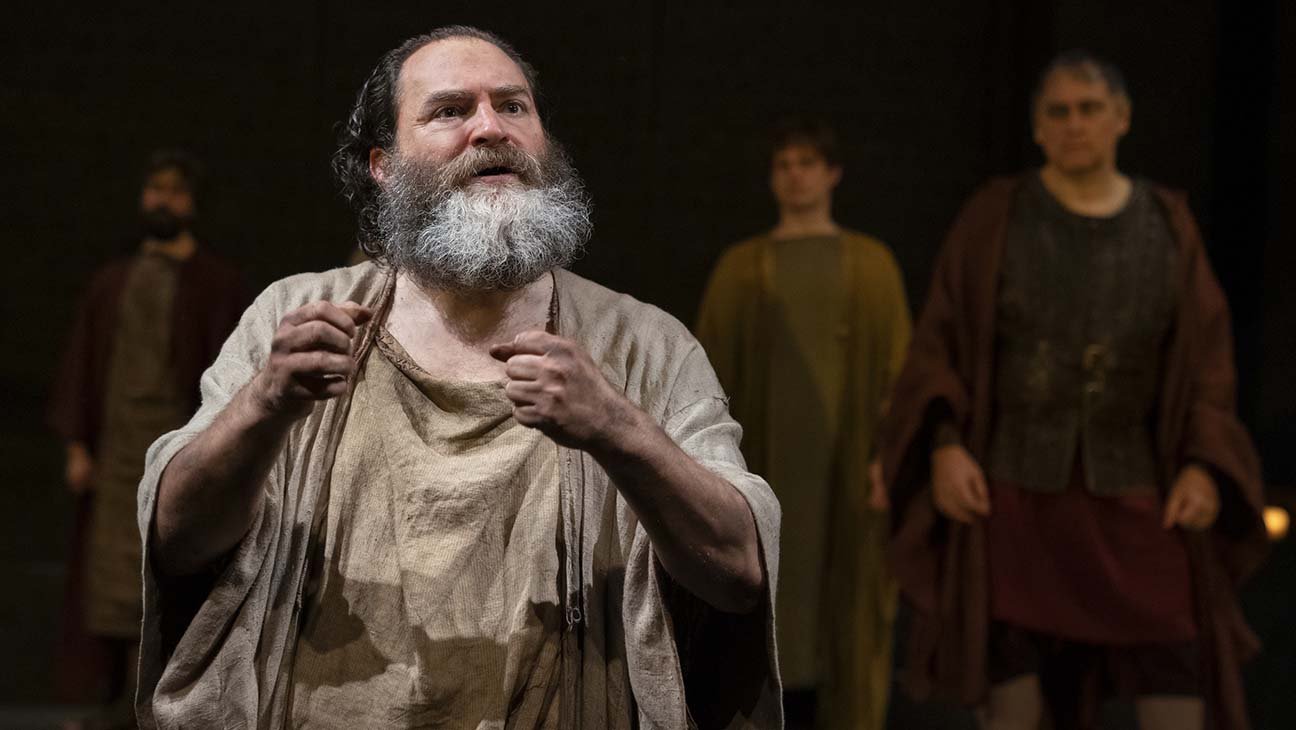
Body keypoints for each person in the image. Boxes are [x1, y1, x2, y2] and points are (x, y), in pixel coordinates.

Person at [134, 26, 781, 730]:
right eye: (449, 110)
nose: (489, 129)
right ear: (383, 164)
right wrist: (265, 406)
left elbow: (739, 569)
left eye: (513, 106)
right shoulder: (297, 315)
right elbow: (176, 538)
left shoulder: (644, 346)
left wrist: (617, 429)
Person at [878, 51, 1268, 730]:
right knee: (1012, 691)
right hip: (1014, 493)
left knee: (1176, 671)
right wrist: (943, 447)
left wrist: (1205, 466)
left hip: (1137, 490)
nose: (1075, 124)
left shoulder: (1168, 224)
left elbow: (1208, 361)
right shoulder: (994, 217)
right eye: (1058, 112)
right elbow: (938, 343)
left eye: (1090, 109)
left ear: (1121, 118)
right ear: (1037, 127)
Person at [696, 120, 910, 729]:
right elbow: (703, 377)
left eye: (808, 163)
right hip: (767, 467)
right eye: (785, 163)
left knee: (842, 604)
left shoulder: (872, 266)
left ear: (832, 173)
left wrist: (886, 459)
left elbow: (899, 372)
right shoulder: (742, 269)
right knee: (768, 595)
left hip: (845, 475)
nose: (796, 174)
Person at [48, 149, 247, 726]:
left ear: (192, 203)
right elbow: (82, 365)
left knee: (170, 571)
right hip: (113, 455)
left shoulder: (216, 283)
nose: (163, 201)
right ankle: (102, 702)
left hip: (180, 449)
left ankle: (163, 705)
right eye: (155, 190)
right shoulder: (112, 282)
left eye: (174, 191)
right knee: (104, 580)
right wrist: (77, 446)